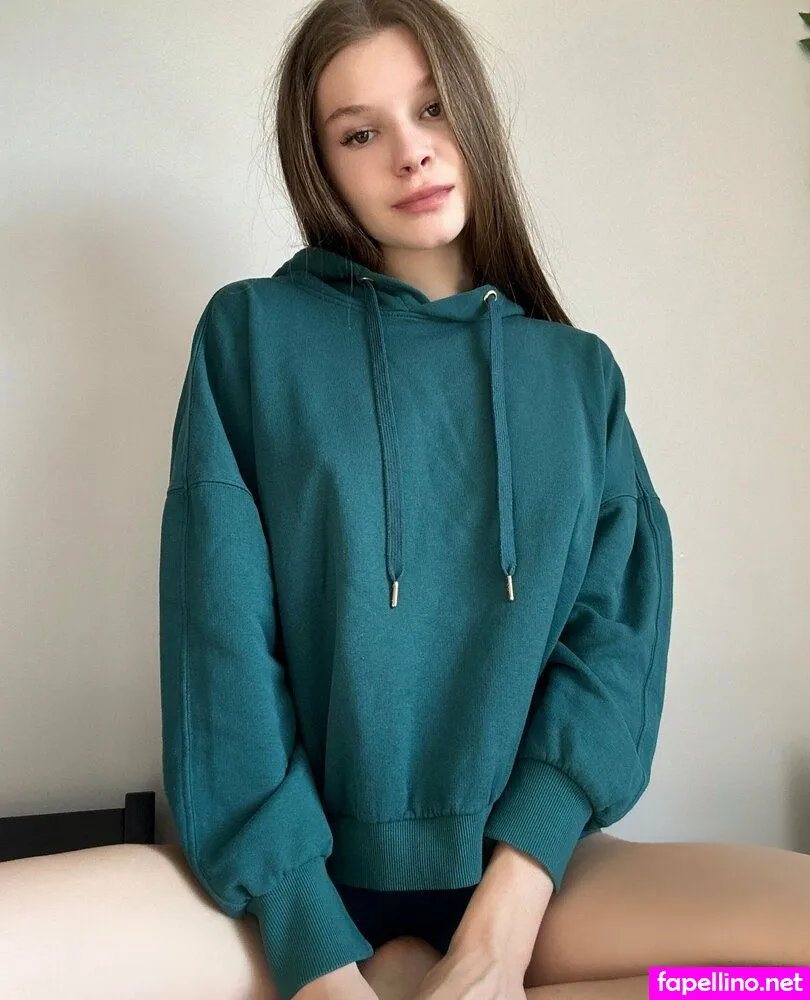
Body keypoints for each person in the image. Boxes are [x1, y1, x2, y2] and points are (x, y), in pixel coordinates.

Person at [1, 2, 808, 1000]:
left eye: (432, 109)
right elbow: (221, 650)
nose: (411, 153)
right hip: (292, 886)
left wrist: (500, 936)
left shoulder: (578, 376)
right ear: (320, 164)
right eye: (360, 132)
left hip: (528, 877)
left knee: (783, 975)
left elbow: (614, 645)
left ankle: (434, 973)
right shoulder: (253, 336)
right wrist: (319, 963)